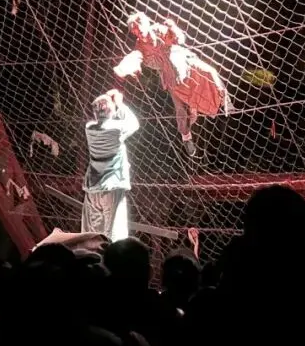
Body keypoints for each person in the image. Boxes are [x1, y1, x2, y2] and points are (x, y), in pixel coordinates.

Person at [113, 12, 229, 157]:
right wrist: (127, 66)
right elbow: (136, 56)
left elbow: (180, 39)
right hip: (171, 77)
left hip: (184, 63)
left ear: (146, 23)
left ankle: (224, 99)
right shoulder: (140, 46)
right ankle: (186, 138)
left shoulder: (159, 30)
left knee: (210, 72)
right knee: (180, 110)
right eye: (135, 29)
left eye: (140, 25)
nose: (139, 30)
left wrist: (173, 28)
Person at [82, 88, 139, 241]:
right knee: (115, 235)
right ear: (110, 111)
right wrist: (120, 103)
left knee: (92, 236)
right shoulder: (116, 128)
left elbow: (103, 118)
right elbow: (134, 124)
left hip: (93, 188)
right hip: (112, 187)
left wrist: (108, 105)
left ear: (95, 114)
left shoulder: (89, 128)